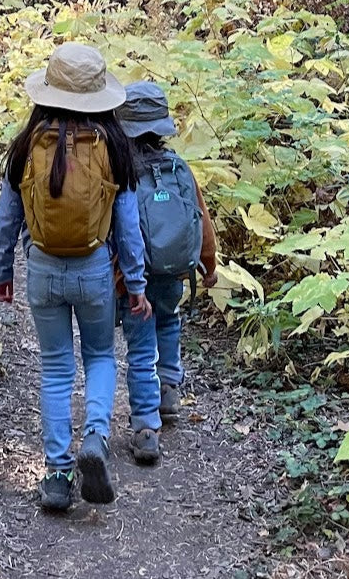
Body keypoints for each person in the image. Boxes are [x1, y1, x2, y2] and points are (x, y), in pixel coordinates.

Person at [0, 42, 153, 512]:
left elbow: (7, 221)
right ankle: (96, 436)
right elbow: (127, 228)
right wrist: (137, 285)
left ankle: (58, 476)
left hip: (42, 270)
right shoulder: (114, 147)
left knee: (57, 368)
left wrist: (2, 272)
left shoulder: (26, 146)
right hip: (95, 271)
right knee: (101, 355)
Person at [115, 80, 218, 466]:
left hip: (137, 275)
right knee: (169, 322)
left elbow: (117, 230)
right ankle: (169, 389)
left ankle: (145, 427)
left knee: (140, 345)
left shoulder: (123, 173)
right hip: (175, 270)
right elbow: (200, 220)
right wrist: (209, 264)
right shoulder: (180, 168)